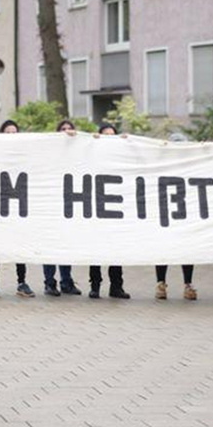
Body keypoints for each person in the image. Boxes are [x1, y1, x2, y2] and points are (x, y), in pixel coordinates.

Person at [0, 119, 35, 298]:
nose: (11, 136)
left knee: (19, 245)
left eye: (14, 133)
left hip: (18, 205)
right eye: (7, 132)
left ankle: (21, 282)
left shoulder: (23, 155)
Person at [88, 122, 130, 299]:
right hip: (97, 208)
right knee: (96, 250)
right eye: (105, 135)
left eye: (112, 135)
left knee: (115, 250)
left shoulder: (120, 157)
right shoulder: (93, 155)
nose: (109, 139)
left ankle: (116, 286)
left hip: (115, 209)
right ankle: (95, 285)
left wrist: (129, 142)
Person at [43, 119, 82, 297]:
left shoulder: (78, 150)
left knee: (66, 245)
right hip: (51, 204)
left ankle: (67, 281)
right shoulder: (50, 150)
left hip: (69, 204)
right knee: (50, 245)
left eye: (69, 129)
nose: (66, 131)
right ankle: (50, 283)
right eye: (63, 129)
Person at [155, 133, 196, 301]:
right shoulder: (160, 165)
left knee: (187, 250)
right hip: (164, 212)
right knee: (163, 249)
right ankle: (160, 284)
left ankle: (188, 284)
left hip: (184, 212)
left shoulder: (191, 164)